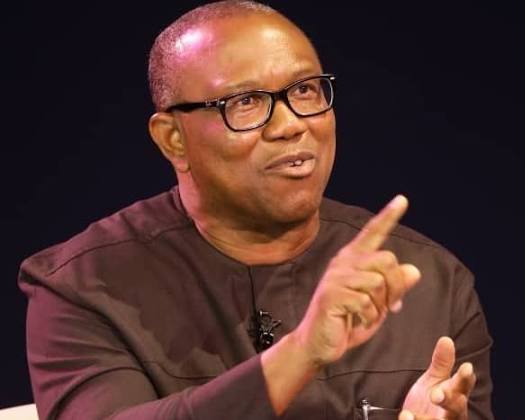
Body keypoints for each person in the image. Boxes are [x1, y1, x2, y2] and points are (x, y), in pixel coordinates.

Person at [19, 1, 493, 419]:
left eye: (305, 91)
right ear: (173, 139)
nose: (290, 124)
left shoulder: (431, 282)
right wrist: (301, 351)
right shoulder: (85, 288)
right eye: (245, 102)